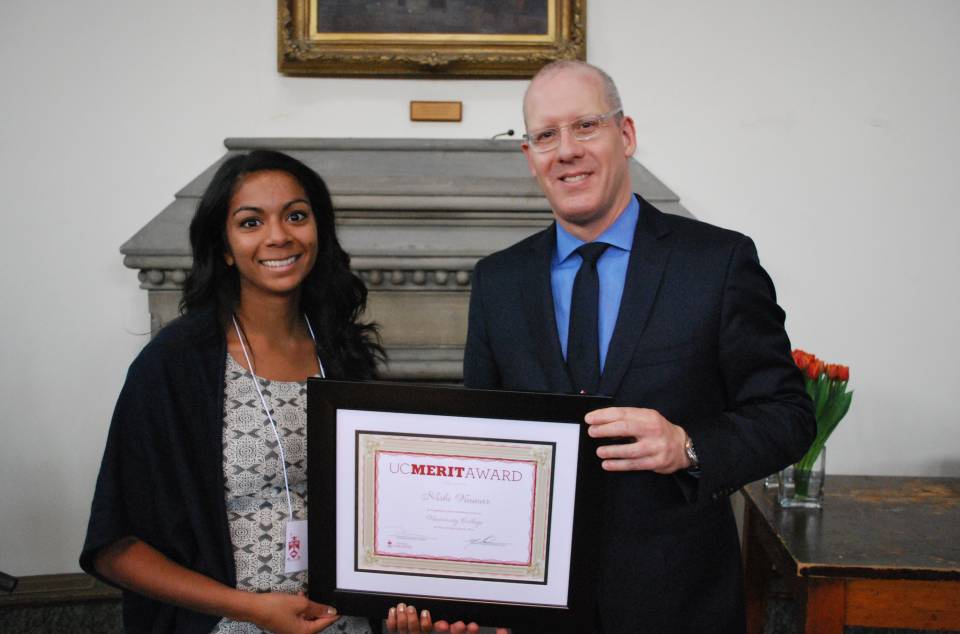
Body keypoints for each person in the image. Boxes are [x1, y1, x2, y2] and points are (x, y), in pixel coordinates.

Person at [461, 61, 816, 632]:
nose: (567, 150)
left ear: (625, 136)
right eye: (546, 135)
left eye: (586, 126)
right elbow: (480, 443)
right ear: (530, 158)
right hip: (534, 611)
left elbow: (789, 416)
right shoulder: (497, 281)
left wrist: (688, 445)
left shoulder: (718, 263)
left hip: (680, 602)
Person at [80, 150, 384, 633]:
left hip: (344, 626)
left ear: (319, 231)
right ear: (223, 246)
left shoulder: (344, 354)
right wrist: (249, 608)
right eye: (250, 222)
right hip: (232, 625)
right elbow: (116, 549)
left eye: (296, 216)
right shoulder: (175, 364)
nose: (279, 235)